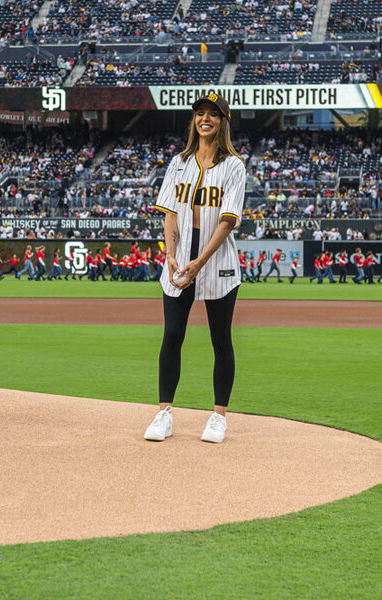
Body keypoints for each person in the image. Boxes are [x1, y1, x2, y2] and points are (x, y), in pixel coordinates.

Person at [143, 93, 245, 445]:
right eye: (200, 113)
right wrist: (171, 255)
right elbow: (170, 212)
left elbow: (229, 220)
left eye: (213, 115)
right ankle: (164, 413)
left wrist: (200, 261)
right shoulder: (179, 163)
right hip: (179, 264)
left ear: (223, 122)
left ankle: (218, 417)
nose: (205, 119)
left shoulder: (234, 166)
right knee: (172, 336)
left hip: (217, 265)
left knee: (221, 341)